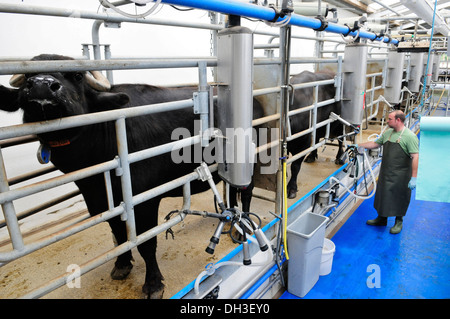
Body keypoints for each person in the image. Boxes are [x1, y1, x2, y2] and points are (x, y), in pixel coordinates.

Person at [354, 110, 419, 234]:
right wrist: (359, 145)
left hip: (401, 174)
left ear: (398, 120)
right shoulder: (388, 133)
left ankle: (398, 221)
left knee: (399, 196)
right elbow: (375, 143)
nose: (387, 121)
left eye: (390, 119)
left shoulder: (410, 136)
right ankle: (382, 218)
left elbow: (415, 157)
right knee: (383, 195)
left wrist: (414, 177)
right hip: (386, 172)